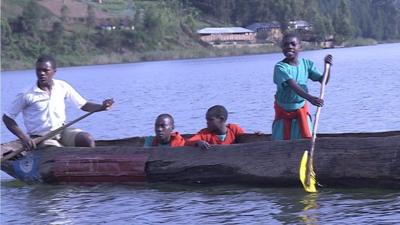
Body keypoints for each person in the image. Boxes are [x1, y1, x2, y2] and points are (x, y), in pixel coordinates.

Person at [2, 55, 114, 150]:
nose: (41, 73)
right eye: (38, 70)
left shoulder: (62, 86)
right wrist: (24, 138)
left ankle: (92, 166)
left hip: (62, 131)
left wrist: (102, 107)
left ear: (54, 71)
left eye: (45, 70)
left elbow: (84, 105)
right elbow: (7, 118)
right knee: (57, 151)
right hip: (41, 138)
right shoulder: (26, 94)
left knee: (87, 138)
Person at [272, 33, 332, 141]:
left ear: (300, 47)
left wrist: (327, 66)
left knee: (306, 141)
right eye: (286, 45)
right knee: (280, 143)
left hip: (301, 111)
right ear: (282, 48)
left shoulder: (306, 64)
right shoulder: (280, 67)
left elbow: (323, 81)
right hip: (284, 112)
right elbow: (293, 85)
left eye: (293, 44)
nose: (289, 47)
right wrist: (310, 98)